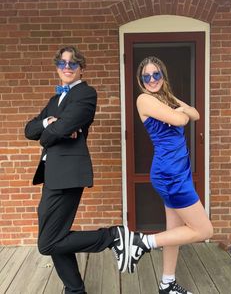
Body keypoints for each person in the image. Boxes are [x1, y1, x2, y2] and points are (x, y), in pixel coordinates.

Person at [24, 45, 130, 294]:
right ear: (57, 67)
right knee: (55, 237)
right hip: (52, 175)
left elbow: (53, 134)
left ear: (81, 67)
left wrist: (48, 134)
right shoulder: (54, 100)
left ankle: (112, 237)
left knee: (47, 242)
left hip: (68, 175)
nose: (67, 67)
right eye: (62, 63)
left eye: (73, 63)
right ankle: (74, 290)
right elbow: (29, 129)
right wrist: (50, 122)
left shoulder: (85, 94)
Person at [125, 56, 214, 294]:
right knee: (205, 231)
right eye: (147, 76)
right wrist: (181, 112)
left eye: (156, 74)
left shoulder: (164, 97)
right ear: (141, 81)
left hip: (177, 172)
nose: (152, 79)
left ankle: (166, 283)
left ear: (163, 76)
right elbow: (181, 118)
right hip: (170, 174)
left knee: (174, 230)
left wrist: (181, 108)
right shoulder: (144, 99)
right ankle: (142, 242)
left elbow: (195, 114)